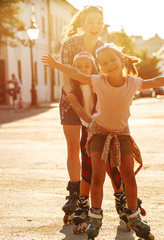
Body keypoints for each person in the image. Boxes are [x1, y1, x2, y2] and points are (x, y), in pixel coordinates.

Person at [41, 43, 164, 240]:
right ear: (101, 67)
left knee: (128, 175)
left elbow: (156, 80)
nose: (109, 64)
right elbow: (78, 74)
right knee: (97, 175)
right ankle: (95, 216)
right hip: (98, 132)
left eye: (113, 59)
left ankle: (134, 216)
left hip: (122, 132)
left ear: (121, 60)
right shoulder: (98, 81)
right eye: (104, 62)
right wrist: (56, 65)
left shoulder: (133, 82)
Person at [66, 52, 125, 233]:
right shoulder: (72, 92)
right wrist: (94, 126)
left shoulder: (100, 85)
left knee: (111, 166)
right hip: (89, 131)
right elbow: (80, 111)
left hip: (108, 130)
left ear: (93, 69)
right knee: (88, 169)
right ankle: (83, 206)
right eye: (78, 67)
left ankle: (123, 203)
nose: (82, 69)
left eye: (86, 66)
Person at [58, 5, 106, 223]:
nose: (95, 26)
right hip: (71, 97)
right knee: (72, 146)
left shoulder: (103, 46)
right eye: (91, 21)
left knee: (91, 148)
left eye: (99, 21)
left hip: (95, 100)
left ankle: (90, 193)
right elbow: (66, 73)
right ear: (83, 23)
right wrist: (72, 96)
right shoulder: (70, 44)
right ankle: (74, 192)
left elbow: (106, 76)